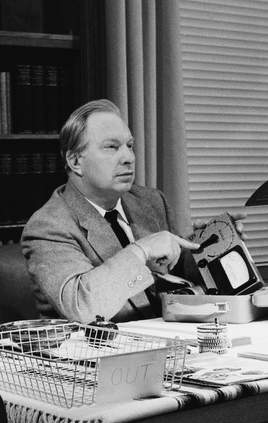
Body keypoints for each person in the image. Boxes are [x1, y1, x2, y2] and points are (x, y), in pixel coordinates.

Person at [21, 99, 242, 323]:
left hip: (170, 341)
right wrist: (141, 250)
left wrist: (208, 248)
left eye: (130, 145)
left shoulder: (150, 201)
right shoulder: (49, 225)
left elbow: (178, 275)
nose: (129, 158)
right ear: (75, 161)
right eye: (112, 147)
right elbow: (81, 306)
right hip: (100, 352)